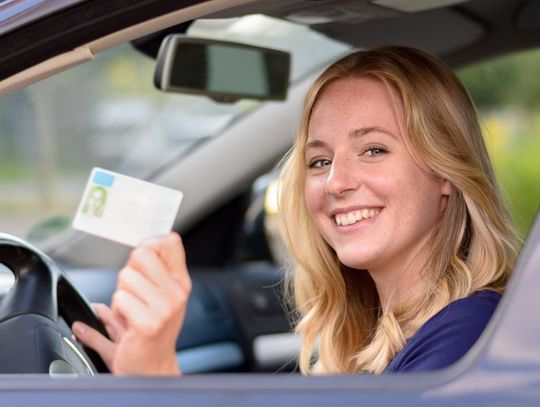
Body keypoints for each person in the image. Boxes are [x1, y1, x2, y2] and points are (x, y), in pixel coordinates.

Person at [73, 46, 518, 375]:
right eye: (319, 161)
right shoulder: (403, 333)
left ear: (445, 172)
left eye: (374, 149)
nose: (336, 182)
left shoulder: (466, 339)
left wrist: (155, 385)